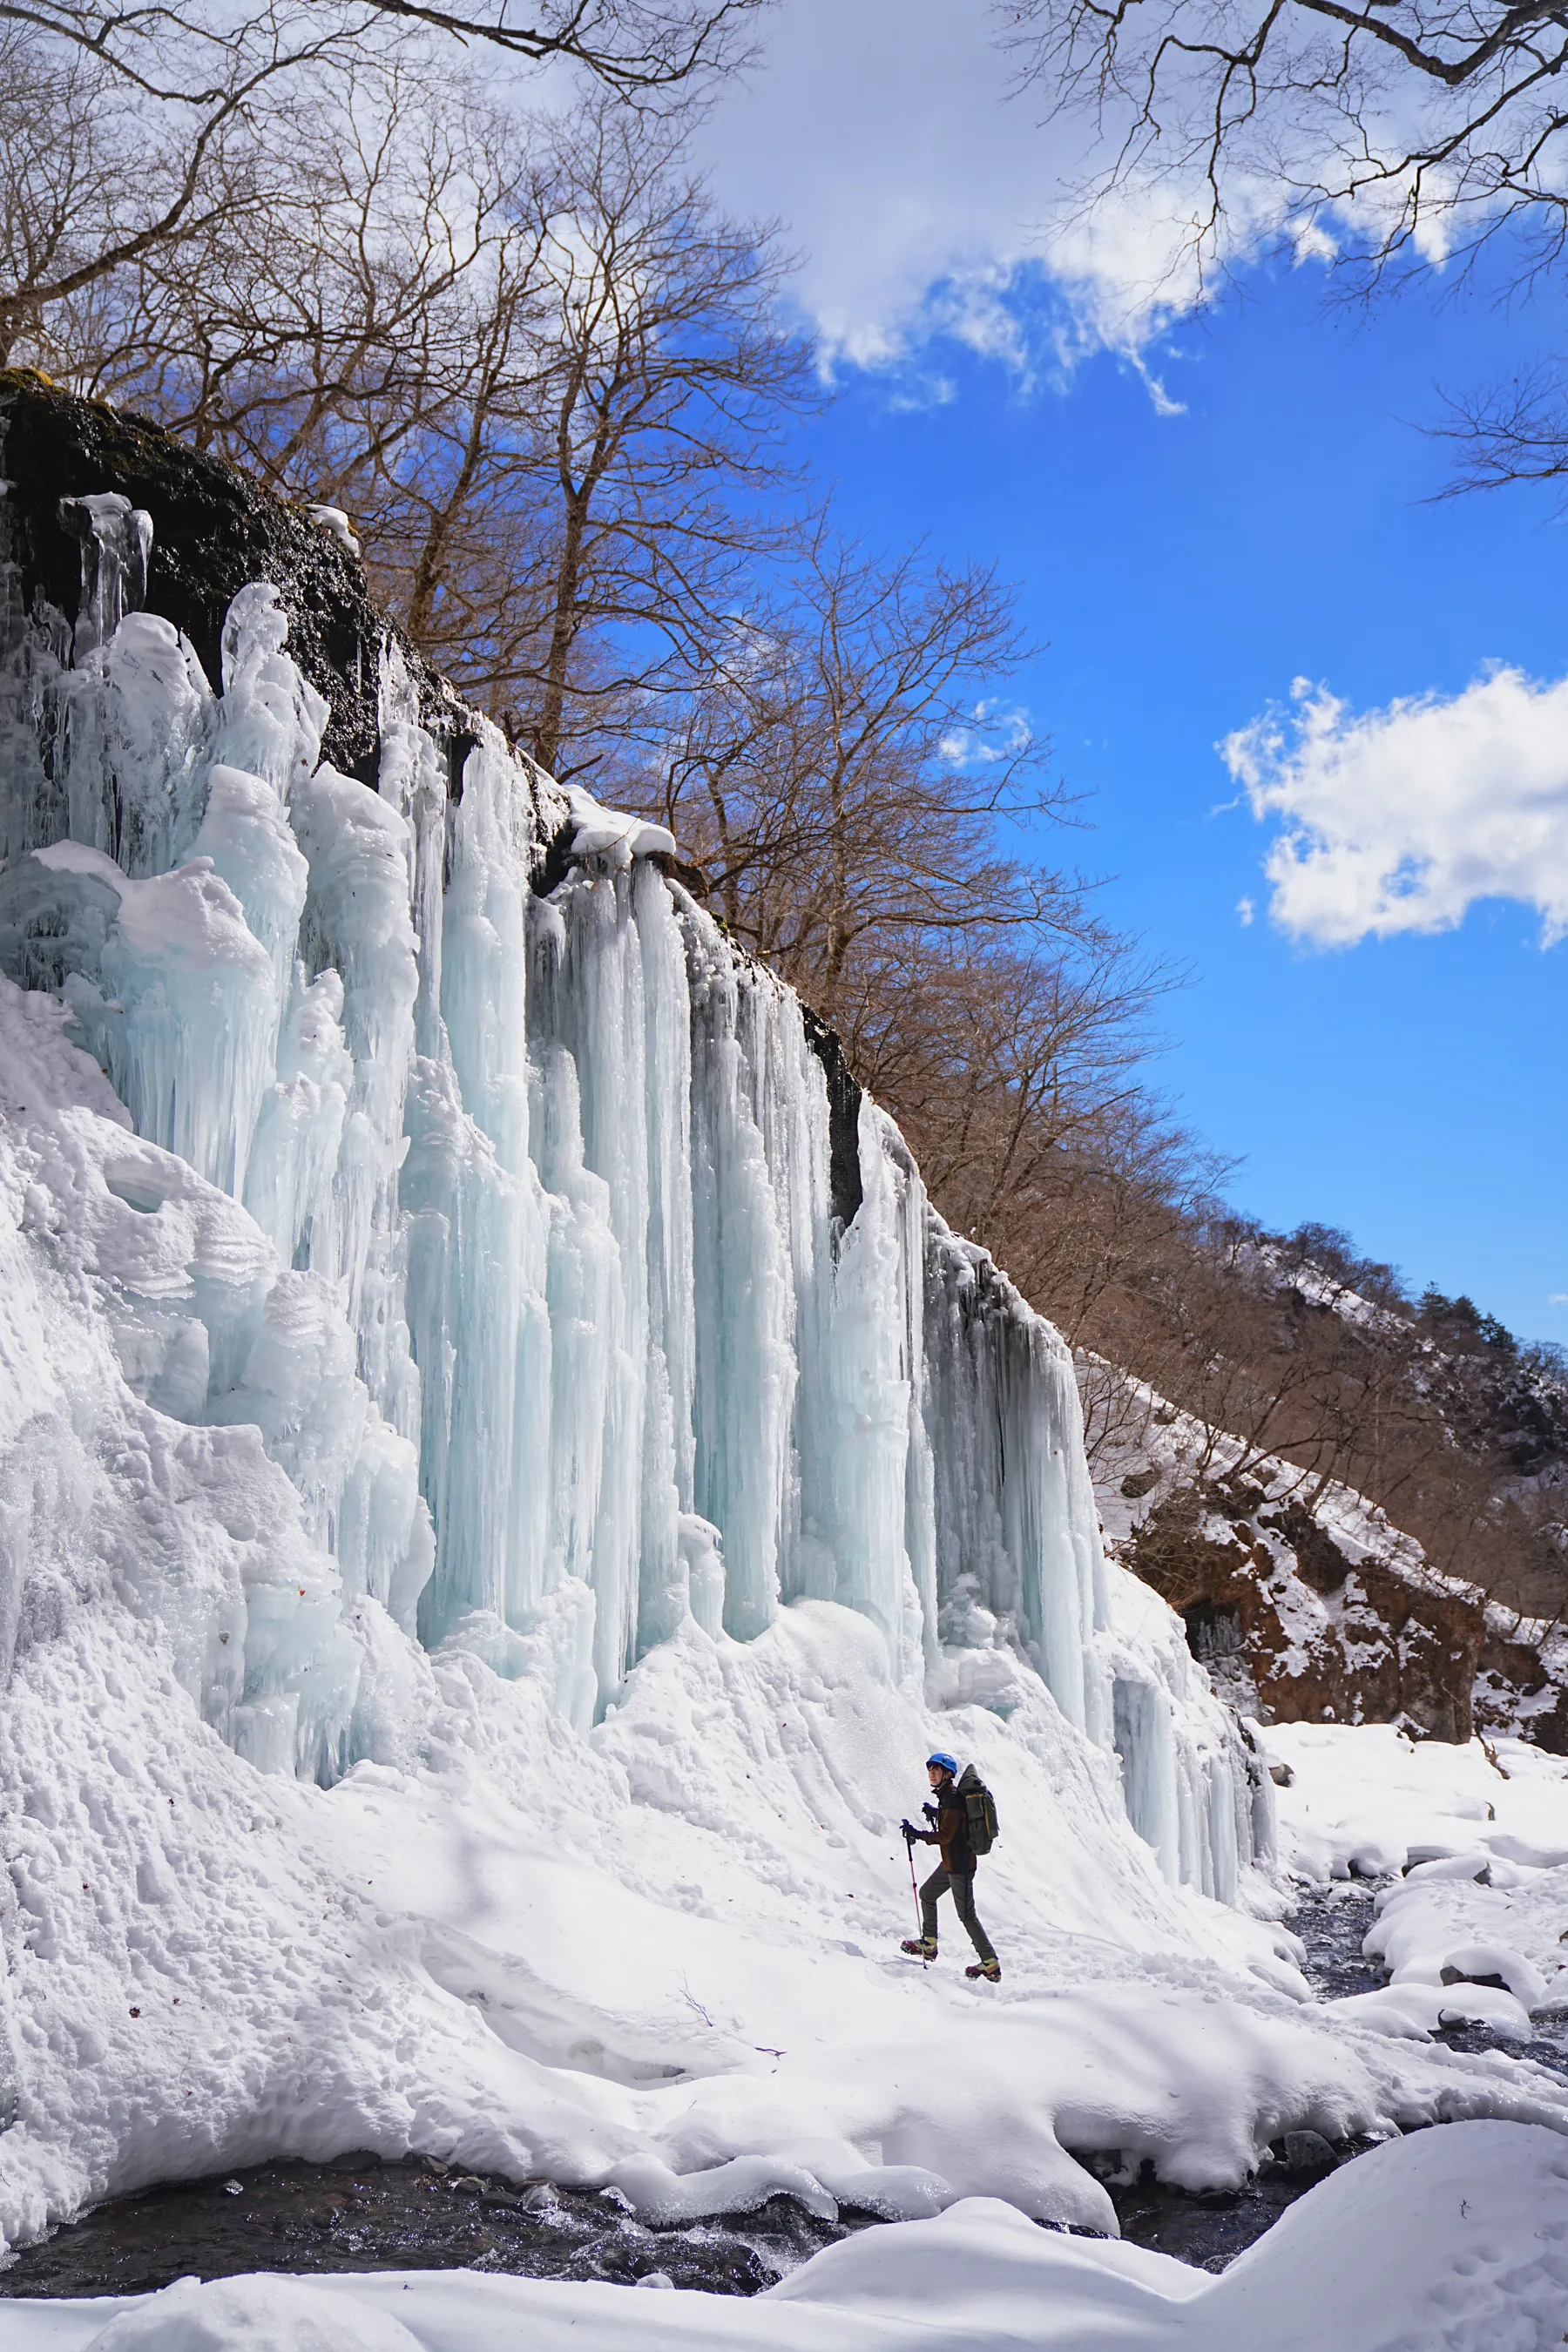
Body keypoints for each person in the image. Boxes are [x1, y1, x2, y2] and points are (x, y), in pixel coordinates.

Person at [899, 1751, 1001, 1982]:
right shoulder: (948, 1798)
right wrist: (936, 1812)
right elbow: (955, 1823)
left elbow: (945, 1836)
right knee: (927, 1894)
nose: (932, 1773)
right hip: (951, 1863)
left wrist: (918, 1834)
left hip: (960, 1866)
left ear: (948, 1774)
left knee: (966, 1915)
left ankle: (990, 1963)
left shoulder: (952, 1798)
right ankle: (929, 1944)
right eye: (930, 1769)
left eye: (936, 1770)